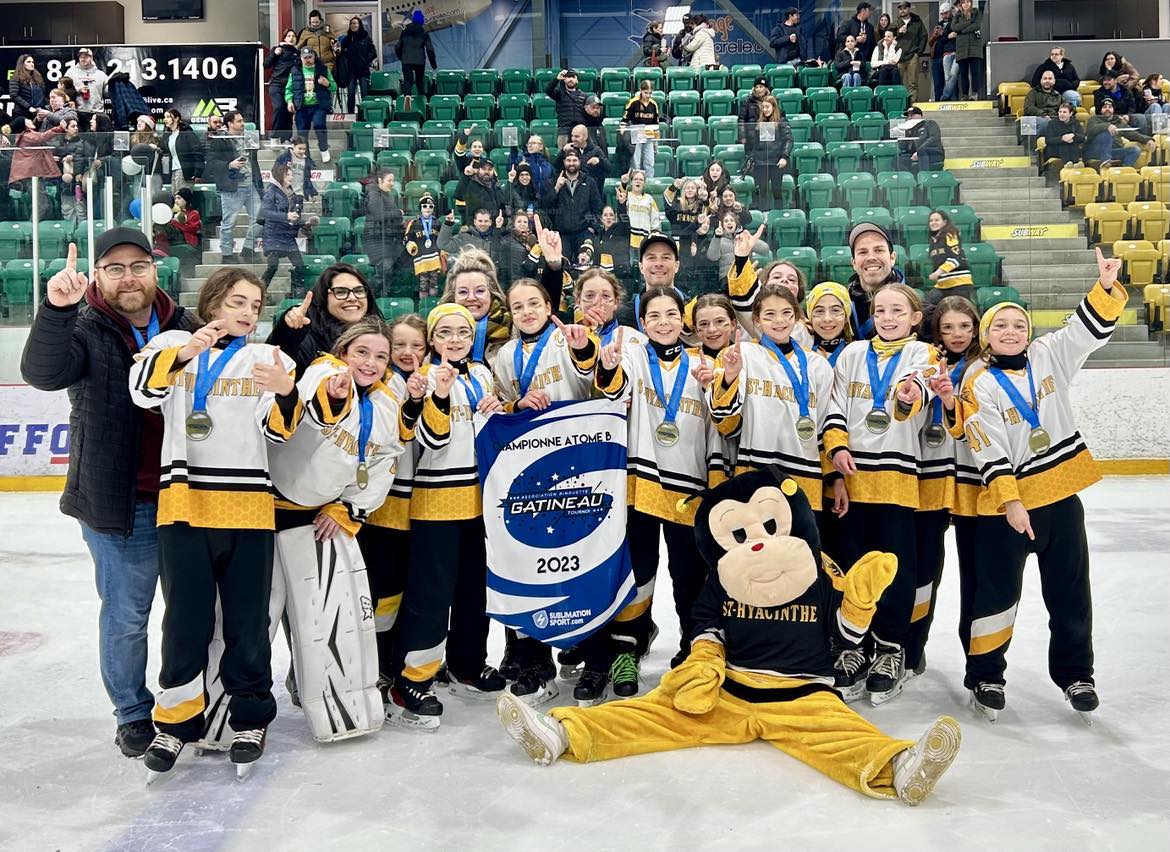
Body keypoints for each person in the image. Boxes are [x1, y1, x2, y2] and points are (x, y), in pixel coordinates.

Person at [20, 231, 194, 759]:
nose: (128, 278)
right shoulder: (86, 325)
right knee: (127, 614)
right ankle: (133, 713)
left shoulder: (185, 325)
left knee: (189, 611)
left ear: (155, 270)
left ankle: (188, 701)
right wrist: (56, 309)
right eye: (114, 269)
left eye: (137, 266)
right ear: (97, 275)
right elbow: (42, 373)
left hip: (186, 498)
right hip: (120, 503)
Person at [128, 268, 299, 778]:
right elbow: (142, 393)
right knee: (185, 620)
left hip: (247, 506)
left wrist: (288, 391)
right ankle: (176, 722)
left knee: (248, 621)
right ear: (213, 300)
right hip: (184, 505)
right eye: (238, 301)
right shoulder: (174, 343)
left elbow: (280, 433)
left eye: (256, 305)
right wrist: (183, 355)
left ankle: (250, 716)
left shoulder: (268, 357)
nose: (248, 312)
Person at [957, 249, 1125, 723]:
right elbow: (985, 446)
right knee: (995, 596)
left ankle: (1077, 675)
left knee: (1071, 593)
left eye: (1018, 324)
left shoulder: (1050, 357)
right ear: (987, 337)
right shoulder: (978, 383)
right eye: (1000, 326)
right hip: (1007, 509)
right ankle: (986, 674)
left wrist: (1106, 287)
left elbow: (1085, 332)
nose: (1011, 331)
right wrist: (1011, 502)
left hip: (1060, 501)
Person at [572, 285, 722, 702]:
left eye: (671, 314)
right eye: (654, 316)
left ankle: (695, 650)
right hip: (640, 483)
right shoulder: (634, 353)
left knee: (689, 575)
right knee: (638, 573)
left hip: (688, 488)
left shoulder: (701, 364)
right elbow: (615, 393)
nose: (663, 322)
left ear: (683, 320)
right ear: (642, 322)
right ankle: (626, 650)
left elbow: (717, 424)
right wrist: (607, 365)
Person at [384, 300, 502, 730]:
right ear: (432, 339)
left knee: (474, 591)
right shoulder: (425, 378)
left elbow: (485, 435)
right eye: (446, 332)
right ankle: (412, 679)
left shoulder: (482, 374)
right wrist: (438, 392)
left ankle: (466, 664)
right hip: (435, 501)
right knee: (431, 595)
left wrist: (497, 410)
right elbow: (432, 440)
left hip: (478, 501)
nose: (455, 340)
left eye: (463, 333)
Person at [824, 282, 941, 705]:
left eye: (898, 311)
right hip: (853, 482)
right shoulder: (853, 355)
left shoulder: (923, 354)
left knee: (894, 569)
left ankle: (890, 648)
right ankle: (852, 647)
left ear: (915, 318)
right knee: (851, 565)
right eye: (881, 310)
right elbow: (834, 406)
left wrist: (910, 396)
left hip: (896, 481)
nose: (888, 318)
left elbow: (922, 387)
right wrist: (836, 449)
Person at [490, 280, 597, 703]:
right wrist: (514, 406)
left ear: (549, 305)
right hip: (528, 470)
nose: (527, 312)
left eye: (535, 303)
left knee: (578, 559)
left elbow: (589, 379)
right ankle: (535, 663)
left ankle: (585, 651)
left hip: (575, 468)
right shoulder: (503, 354)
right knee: (531, 563)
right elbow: (500, 404)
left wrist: (582, 348)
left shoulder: (565, 338)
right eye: (518, 307)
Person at [711, 275, 836, 513]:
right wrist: (730, 377)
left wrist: (834, 480)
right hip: (755, 475)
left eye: (787, 313)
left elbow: (823, 427)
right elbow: (725, 426)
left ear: (797, 317)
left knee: (801, 549)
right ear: (756, 320)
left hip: (806, 478)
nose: (779, 321)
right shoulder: (740, 355)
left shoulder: (818, 365)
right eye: (769, 315)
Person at [358, 312, 432, 701]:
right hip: (382, 508)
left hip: (427, 506)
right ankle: (378, 665)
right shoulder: (376, 387)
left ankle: (408, 663)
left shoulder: (438, 381)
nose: (407, 352)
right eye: (399, 345)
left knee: (414, 592)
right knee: (382, 592)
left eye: (416, 345)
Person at [906, 295, 979, 679]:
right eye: (948, 327)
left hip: (971, 482)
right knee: (923, 569)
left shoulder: (984, 367)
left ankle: (980, 660)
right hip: (928, 479)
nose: (956, 335)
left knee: (976, 573)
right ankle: (912, 646)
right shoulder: (922, 363)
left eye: (964, 327)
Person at [268, 263, 386, 378]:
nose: (352, 298)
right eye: (341, 292)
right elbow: (276, 368)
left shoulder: (382, 334)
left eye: (359, 291)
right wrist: (289, 330)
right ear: (324, 298)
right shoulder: (308, 338)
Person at [206, 110, 262, 264]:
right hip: (232, 187)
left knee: (259, 219)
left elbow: (254, 160)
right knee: (228, 223)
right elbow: (211, 162)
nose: (243, 123)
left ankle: (248, 249)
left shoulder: (249, 137)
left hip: (251, 185)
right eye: (239, 121)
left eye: (242, 120)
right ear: (229, 124)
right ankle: (227, 255)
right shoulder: (220, 139)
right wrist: (229, 165)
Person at [844, 222, 908, 339]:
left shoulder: (917, 308)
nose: (871, 257)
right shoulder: (841, 309)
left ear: (892, 258)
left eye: (878, 250)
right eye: (863, 252)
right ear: (853, 263)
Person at [543, 151, 602, 260]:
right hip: (562, 234)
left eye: (574, 160)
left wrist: (592, 227)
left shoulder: (589, 182)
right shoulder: (553, 181)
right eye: (569, 160)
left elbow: (597, 207)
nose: (571, 163)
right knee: (564, 268)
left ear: (579, 162)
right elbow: (546, 206)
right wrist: (556, 188)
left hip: (583, 232)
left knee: (584, 267)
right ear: (564, 162)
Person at [260, 161, 306, 294]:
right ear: (281, 177)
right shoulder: (271, 192)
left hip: (288, 236)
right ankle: (262, 291)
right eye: (288, 175)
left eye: (291, 175)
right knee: (273, 266)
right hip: (273, 235)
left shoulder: (294, 194)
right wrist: (286, 216)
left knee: (299, 265)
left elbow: (294, 216)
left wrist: (303, 223)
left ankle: (297, 291)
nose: (291, 177)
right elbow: (265, 212)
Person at [923, 209, 975, 327]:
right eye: (931, 220)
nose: (933, 222)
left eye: (937, 220)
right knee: (931, 306)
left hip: (959, 283)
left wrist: (938, 272)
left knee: (962, 314)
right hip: (943, 284)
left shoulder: (950, 234)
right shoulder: (934, 240)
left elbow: (956, 258)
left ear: (945, 222)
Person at [286, 47, 337, 163]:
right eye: (305, 58)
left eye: (310, 57)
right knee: (302, 132)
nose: (307, 60)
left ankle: (324, 148)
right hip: (301, 106)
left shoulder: (323, 69)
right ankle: (307, 158)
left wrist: (327, 83)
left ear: (314, 57)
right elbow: (289, 88)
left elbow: (334, 86)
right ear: (301, 58)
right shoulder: (295, 70)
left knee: (319, 125)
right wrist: (289, 101)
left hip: (318, 104)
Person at [364, 168, 406, 295]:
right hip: (377, 241)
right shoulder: (374, 194)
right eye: (389, 180)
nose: (392, 183)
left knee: (391, 271)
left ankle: (384, 297)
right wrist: (398, 213)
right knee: (384, 270)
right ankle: (366, 294)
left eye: (393, 180)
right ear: (380, 180)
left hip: (388, 240)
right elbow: (378, 215)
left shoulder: (387, 195)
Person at [746, 96, 791, 208]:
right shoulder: (759, 122)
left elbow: (788, 139)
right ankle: (764, 215)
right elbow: (754, 143)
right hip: (761, 163)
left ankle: (778, 215)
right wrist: (752, 158)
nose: (765, 109)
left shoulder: (781, 120)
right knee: (763, 191)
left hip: (776, 162)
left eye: (767, 107)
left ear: (773, 107)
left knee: (777, 191)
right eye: (763, 107)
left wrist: (784, 157)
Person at [1084, 98, 1156, 168]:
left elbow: (1134, 134)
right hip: (1096, 153)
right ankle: (1105, 162)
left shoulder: (1119, 122)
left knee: (1135, 150)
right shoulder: (1094, 119)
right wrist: (1107, 126)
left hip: (1113, 152)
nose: (1107, 109)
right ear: (1100, 110)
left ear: (1113, 110)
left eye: (1110, 107)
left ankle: (1122, 170)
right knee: (1106, 133)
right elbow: (1090, 131)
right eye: (1104, 107)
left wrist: (1148, 139)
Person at [404, 193, 445, 299]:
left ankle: (432, 304)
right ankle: (424, 304)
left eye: (430, 206)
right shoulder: (413, 224)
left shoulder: (438, 223)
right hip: (421, 259)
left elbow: (443, 240)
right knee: (423, 284)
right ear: (420, 208)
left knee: (434, 282)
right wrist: (411, 246)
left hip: (435, 259)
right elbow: (407, 239)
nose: (427, 208)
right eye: (425, 206)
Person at [616, 170, 661, 264]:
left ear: (644, 183)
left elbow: (655, 218)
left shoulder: (649, 199)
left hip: (644, 239)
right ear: (631, 182)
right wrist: (623, 183)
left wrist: (654, 233)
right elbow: (621, 198)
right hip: (629, 238)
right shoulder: (626, 196)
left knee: (644, 266)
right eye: (635, 179)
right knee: (630, 266)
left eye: (641, 179)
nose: (638, 181)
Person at [55, 118, 93, 224]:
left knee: (80, 208)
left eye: (76, 126)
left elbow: (87, 160)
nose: (76, 128)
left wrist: (80, 173)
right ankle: (70, 233)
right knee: (67, 208)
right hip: (64, 182)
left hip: (78, 181)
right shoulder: (59, 143)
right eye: (73, 126)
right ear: (66, 129)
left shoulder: (83, 143)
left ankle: (82, 231)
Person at [266, 29, 300, 144]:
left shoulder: (298, 53)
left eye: (293, 36)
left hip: (290, 87)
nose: (291, 38)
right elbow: (266, 64)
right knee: (279, 108)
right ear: (285, 38)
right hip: (276, 84)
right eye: (289, 36)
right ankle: (274, 136)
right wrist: (275, 54)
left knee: (288, 111)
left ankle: (286, 138)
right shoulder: (277, 49)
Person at [395, 10, 437, 101]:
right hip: (419, 61)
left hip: (406, 60)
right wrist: (433, 64)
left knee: (407, 81)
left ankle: (407, 97)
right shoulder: (424, 32)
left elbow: (398, 46)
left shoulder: (405, 30)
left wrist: (401, 58)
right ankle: (421, 101)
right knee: (419, 82)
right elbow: (430, 49)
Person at [160, 108, 203, 195]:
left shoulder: (186, 133)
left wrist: (197, 173)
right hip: (173, 170)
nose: (165, 120)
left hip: (185, 170)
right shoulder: (168, 135)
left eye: (168, 117)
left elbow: (197, 153)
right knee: (175, 196)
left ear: (176, 118)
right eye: (165, 117)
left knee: (182, 198)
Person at [339, 16, 377, 114]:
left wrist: (365, 60)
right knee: (351, 93)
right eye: (352, 23)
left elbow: (373, 52)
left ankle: (365, 114)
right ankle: (350, 115)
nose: (353, 25)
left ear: (359, 24)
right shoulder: (347, 39)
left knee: (365, 93)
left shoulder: (365, 37)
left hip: (363, 70)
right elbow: (342, 53)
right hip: (351, 71)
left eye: (355, 23)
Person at [623, 81, 660, 179]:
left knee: (650, 162)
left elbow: (656, 125)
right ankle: (634, 182)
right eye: (646, 93)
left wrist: (655, 142)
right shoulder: (633, 102)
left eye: (650, 93)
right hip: (636, 134)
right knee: (636, 162)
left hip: (649, 135)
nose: (648, 95)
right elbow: (624, 120)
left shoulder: (654, 105)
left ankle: (649, 183)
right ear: (640, 91)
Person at [950, 0, 985, 101]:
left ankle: (974, 93)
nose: (966, 4)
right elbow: (954, 27)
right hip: (962, 48)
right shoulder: (958, 15)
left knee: (975, 72)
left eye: (968, 2)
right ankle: (965, 94)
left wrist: (962, 31)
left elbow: (977, 25)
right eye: (964, 2)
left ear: (971, 3)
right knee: (963, 73)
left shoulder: (976, 12)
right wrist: (969, 22)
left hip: (975, 48)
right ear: (961, 4)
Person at [893, 2, 928, 102]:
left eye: (904, 8)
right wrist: (899, 32)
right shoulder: (895, 22)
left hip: (913, 55)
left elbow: (924, 36)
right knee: (897, 82)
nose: (902, 10)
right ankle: (900, 102)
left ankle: (913, 104)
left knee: (913, 83)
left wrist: (918, 52)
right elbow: (889, 37)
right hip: (898, 57)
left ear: (909, 9)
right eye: (900, 9)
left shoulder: (917, 21)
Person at [455, 157, 506, 223]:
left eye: (490, 169)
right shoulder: (470, 184)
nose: (487, 172)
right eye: (484, 169)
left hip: (495, 225)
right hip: (476, 227)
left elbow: (503, 205)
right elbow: (458, 195)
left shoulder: (496, 186)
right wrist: (466, 176)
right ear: (478, 170)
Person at [546, 69, 589, 147]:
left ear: (577, 80)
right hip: (564, 132)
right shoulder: (559, 94)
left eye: (573, 77)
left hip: (579, 133)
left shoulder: (584, 96)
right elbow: (548, 90)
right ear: (564, 79)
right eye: (568, 77)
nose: (570, 79)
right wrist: (556, 79)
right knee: (563, 156)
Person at [65, 47, 109, 121]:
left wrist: (113, 84)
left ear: (91, 58)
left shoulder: (101, 74)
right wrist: (77, 90)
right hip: (78, 112)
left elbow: (107, 93)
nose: (83, 59)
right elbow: (63, 92)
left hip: (97, 112)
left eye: (86, 57)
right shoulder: (70, 73)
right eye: (81, 57)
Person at [897, 105, 945, 171]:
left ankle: (923, 175)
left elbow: (934, 138)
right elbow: (903, 146)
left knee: (922, 151)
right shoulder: (910, 129)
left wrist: (919, 151)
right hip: (916, 154)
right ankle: (910, 179)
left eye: (912, 115)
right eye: (908, 116)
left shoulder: (930, 123)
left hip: (934, 153)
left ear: (920, 115)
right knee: (897, 159)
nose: (910, 117)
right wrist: (906, 133)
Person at [273, 136, 319, 204]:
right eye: (300, 148)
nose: (302, 151)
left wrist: (313, 193)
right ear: (293, 146)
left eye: (304, 149)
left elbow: (307, 179)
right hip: (285, 194)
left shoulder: (306, 160)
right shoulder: (284, 156)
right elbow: (275, 171)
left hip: (299, 194)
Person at [1041, 102, 1085, 167]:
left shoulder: (1076, 123)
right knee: (1065, 144)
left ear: (1070, 113)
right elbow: (1048, 140)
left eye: (1064, 112)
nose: (1061, 114)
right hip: (1055, 150)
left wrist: (1073, 135)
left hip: (1071, 150)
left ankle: (1074, 164)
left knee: (1072, 144)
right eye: (1060, 112)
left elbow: (1083, 138)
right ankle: (1069, 164)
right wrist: (1062, 138)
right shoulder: (1052, 123)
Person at [929, 3, 958, 102]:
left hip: (950, 52)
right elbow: (930, 42)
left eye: (946, 13)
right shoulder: (939, 25)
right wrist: (936, 36)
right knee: (938, 82)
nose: (944, 16)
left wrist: (943, 36)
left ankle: (951, 100)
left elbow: (953, 37)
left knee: (951, 78)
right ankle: (938, 101)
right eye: (942, 14)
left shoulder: (955, 22)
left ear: (950, 11)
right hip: (937, 56)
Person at [297, 10, 339, 74]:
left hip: (328, 63)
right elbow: (299, 47)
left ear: (320, 20)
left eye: (317, 22)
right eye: (312, 22)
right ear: (310, 21)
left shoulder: (327, 31)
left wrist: (336, 47)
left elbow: (336, 44)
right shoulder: (305, 32)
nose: (315, 24)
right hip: (312, 63)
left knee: (327, 82)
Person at [1023, 70, 1063, 135]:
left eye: (1050, 78)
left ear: (1054, 81)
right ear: (1041, 80)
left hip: (1052, 119)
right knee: (1045, 122)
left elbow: (1064, 108)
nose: (1047, 81)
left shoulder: (1058, 95)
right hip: (1035, 119)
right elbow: (1028, 108)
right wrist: (1044, 115)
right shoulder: (1033, 93)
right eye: (1045, 78)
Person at [9, 54, 46, 121]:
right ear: (22, 64)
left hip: (38, 113)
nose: (31, 64)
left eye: (32, 62)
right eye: (28, 62)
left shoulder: (37, 77)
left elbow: (43, 95)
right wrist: (28, 107)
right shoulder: (16, 77)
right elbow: (14, 95)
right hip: (22, 113)